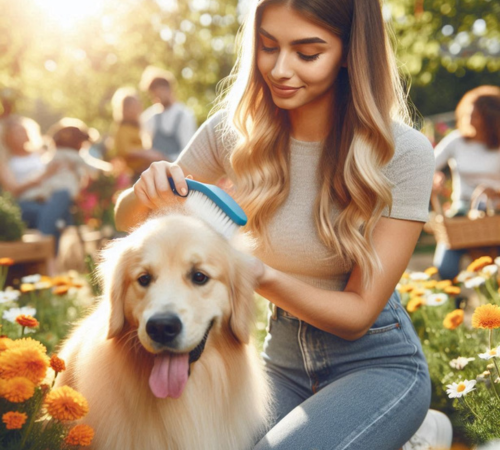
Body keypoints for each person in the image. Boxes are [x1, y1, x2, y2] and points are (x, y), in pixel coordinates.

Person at [115, 1, 452, 449]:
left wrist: (257, 276)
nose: (280, 69)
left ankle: (417, 432)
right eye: (268, 47)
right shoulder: (230, 133)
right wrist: (144, 191)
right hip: (280, 360)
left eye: (307, 53)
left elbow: (357, 315)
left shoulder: (405, 153)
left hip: (377, 361)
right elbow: (127, 219)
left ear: (352, 52)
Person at [432, 86, 500, 280]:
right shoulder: (456, 141)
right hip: (462, 215)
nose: (469, 120)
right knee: (445, 268)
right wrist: (435, 176)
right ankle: (453, 304)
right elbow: (428, 164)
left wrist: (495, 192)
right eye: (468, 114)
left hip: (495, 215)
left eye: (476, 116)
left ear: (491, 118)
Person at [0, 116, 72, 252]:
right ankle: (50, 258)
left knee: (62, 195)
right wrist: (43, 177)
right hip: (24, 204)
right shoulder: (6, 162)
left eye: (23, 130)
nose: (21, 134)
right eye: (16, 132)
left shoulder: (42, 153)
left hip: (49, 199)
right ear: (7, 137)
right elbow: (13, 190)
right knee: (54, 218)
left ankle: (44, 244)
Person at [139, 66, 197, 162]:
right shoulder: (149, 117)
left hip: (177, 170)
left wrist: (163, 158)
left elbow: (188, 153)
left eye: (160, 92)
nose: (157, 98)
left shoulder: (185, 115)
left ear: (169, 89)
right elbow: (147, 147)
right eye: (154, 95)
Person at [109, 87, 150, 178]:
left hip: (143, 169)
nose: (139, 108)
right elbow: (124, 150)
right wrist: (146, 153)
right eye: (134, 106)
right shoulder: (122, 128)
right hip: (131, 174)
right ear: (125, 109)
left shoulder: (139, 126)